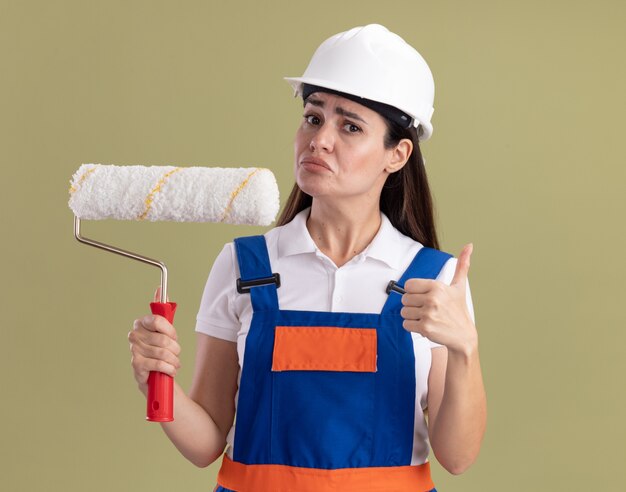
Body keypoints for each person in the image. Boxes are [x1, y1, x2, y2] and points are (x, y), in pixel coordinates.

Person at [128, 23, 487, 492]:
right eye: (313, 118)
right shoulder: (244, 266)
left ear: (397, 155)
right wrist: (158, 383)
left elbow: (457, 458)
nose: (319, 140)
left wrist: (464, 349)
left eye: (350, 126)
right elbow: (206, 441)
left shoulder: (433, 282)